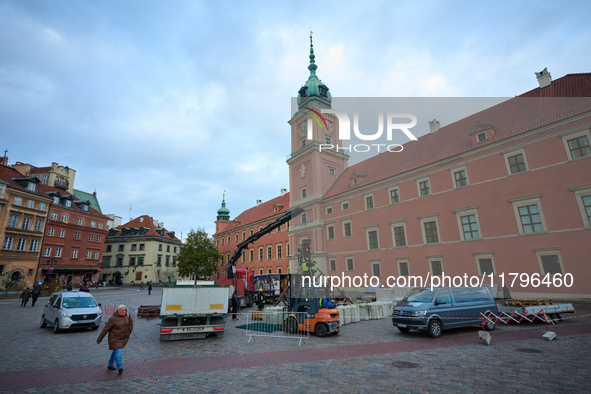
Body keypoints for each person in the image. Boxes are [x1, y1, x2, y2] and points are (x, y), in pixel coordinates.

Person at [96, 304, 133, 375]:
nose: (124, 311)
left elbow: (131, 323)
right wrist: (99, 339)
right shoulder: (113, 318)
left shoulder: (127, 315)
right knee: (118, 352)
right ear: (118, 310)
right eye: (122, 310)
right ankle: (120, 367)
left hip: (123, 338)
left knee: (115, 351)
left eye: (125, 310)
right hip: (115, 338)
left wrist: (129, 331)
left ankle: (110, 365)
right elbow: (105, 329)